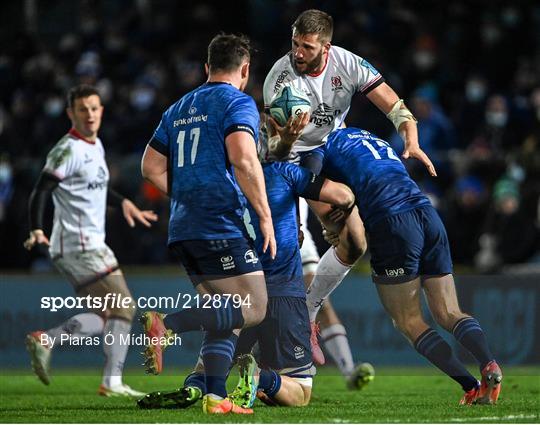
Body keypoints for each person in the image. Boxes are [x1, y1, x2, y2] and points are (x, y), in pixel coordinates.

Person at [263, 8, 434, 385]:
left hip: (330, 152)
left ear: (326, 46)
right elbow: (274, 151)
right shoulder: (280, 80)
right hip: (289, 160)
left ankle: (306, 317)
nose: (297, 52)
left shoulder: (348, 63)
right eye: (294, 43)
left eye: (306, 46)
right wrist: (288, 138)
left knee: (356, 244)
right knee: (286, 256)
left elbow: (393, 103)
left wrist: (410, 134)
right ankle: (263, 355)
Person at [138, 128, 356, 409]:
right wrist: (337, 214)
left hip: (239, 283)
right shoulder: (285, 173)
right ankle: (261, 378)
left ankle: (195, 388)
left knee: (212, 359)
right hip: (283, 291)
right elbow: (342, 195)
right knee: (300, 392)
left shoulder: (224, 178)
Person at [308, 126, 502, 405]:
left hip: (394, 224)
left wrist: (330, 223)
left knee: (408, 321)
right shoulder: (368, 136)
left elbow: (309, 183)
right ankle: (489, 364)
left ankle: (471, 387)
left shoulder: (318, 145)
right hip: (427, 214)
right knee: (449, 312)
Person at [140, 33, 275, 415]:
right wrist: (263, 216)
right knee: (254, 307)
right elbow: (244, 160)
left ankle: (215, 397)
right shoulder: (237, 102)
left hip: (183, 228)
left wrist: (186, 194)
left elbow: (150, 168)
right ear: (245, 69)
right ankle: (167, 324)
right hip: (219, 225)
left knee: (223, 312)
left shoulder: (179, 107)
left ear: (207, 67)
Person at [24, 84, 157, 397]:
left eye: (95, 108)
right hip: (80, 244)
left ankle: (48, 339)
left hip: (82, 244)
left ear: (101, 111)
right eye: (83, 109)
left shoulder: (94, 146)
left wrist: (122, 201)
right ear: (71, 113)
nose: (90, 114)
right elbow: (41, 189)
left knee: (105, 316)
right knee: (124, 307)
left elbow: (93, 187)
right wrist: (35, 228)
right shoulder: (67, 149)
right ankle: (112, 382)